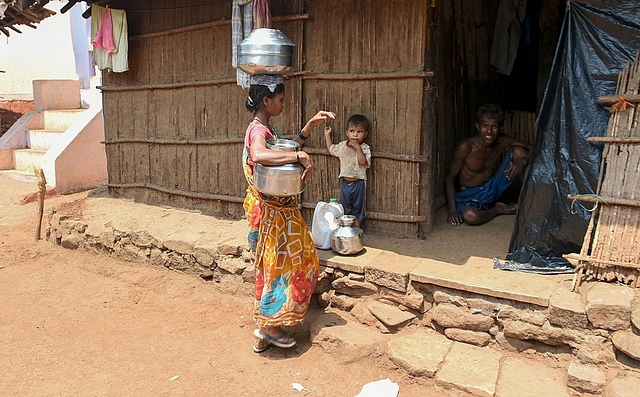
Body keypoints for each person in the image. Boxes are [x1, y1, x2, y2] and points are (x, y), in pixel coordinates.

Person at [242, 74, 336, 353]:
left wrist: (308, 129)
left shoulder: (267, 128)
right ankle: (270, 325)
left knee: (275, 266)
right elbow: (260, 156)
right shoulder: (258, 132)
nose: (283, 104)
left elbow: (282, 148)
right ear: (266, 101)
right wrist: (299, 157)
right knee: (288, 264)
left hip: (276, 212)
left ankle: (268, 324)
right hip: (270, 213)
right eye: (280, 100)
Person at [445, 103, 532, 226]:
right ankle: (500, 209)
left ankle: (529, 201)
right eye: (485, 126)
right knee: (471, 216)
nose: (489, 131)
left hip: (493, 187)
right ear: (478, 126)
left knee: (520, 152)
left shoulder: (502, 140)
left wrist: (522, 161)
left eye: (494, 127)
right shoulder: (466, 147)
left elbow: (533, 147)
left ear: (500, 127)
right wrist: (452, 211)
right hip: (470, 194)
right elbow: (450, 178)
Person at [323, 114, 372, 228]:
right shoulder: (342, 146)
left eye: (359, 132)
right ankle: (346, 230)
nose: (355, 135)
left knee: (358, 207)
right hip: (345, 183)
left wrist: (358, 149)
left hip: (359, 183)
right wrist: (327, 136)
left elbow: (363, 162)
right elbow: (331, 149)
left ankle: (356, 231)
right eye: (352, 131)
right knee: (344, 207)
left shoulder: (365, 148)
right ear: (347, 133)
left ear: (365, 134)